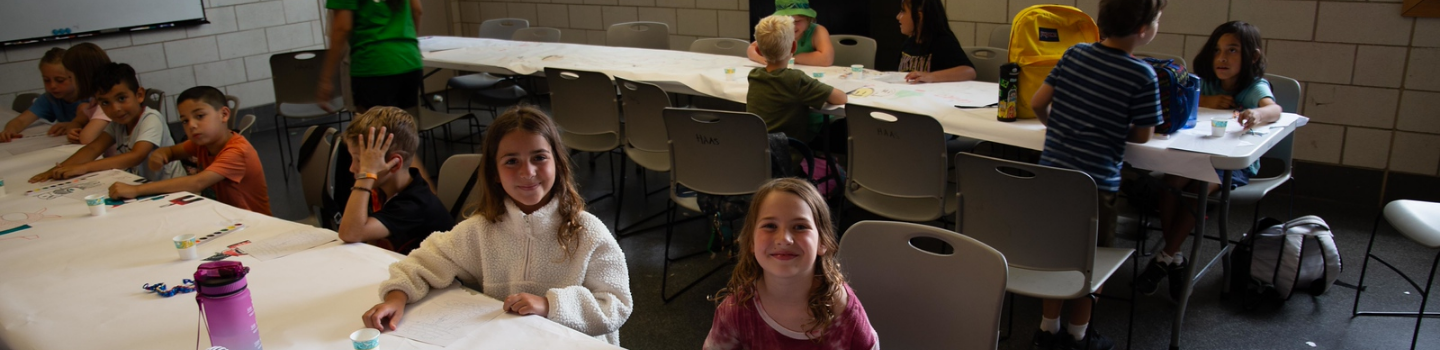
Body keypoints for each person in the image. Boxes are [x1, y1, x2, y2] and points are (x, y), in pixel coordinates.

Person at [361, 106, 632, 345]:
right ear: (495, 173)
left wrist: (550, 305)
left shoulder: (587, 232)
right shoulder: (481, 229)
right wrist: (396, 297)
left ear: (558, 164)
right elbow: (422, 262)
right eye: (512, 161)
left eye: (539, 157)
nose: (528, 172)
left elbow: (615, 305)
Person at [1028, 0, 1166, 348]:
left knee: (1056, 256)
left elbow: (1038, 103)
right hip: (1097, 186)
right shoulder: (1142, 75)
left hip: (1053, 178)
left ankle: (1048, 330)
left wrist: (1057, 126)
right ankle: (1079, 335)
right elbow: (1143, 135)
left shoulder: (1074, 54)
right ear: (1144, 30)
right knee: (1094, 263)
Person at [1136, 21, 1283, 299]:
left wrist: (1255, 115)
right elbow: (1180, 97)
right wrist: (1208, 99)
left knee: (1196, 192)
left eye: (1232, 50)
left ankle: (1164, 257)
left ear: (1252, 57)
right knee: (1170, 185)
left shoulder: (1253, 87)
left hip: (1231, 163)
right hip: (1194, 154)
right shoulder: (1207, 83)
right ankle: (1175, 259)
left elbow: (1274, 109)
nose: (1222, 58)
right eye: (1217, 50)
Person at [704, 178, 878, 349]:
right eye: (770, 226)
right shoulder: (736, 310)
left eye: (800, 227)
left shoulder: (844, 312)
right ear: (750, 241)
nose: (784, 240)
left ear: (822, 242)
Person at [107, 86, 272, 215]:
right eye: (185, 121)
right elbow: (171, 152)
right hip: (223, 217)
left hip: (254, 226)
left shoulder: (237, 151)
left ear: (224, 114)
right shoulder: (201, 143)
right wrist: (161, 154)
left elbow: (196, 183)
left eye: (200, 116)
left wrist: (135, 190)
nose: (191, 125)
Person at [29, 63, 184, 184]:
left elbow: (136, 156)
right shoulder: (118, 123)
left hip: (174, 189)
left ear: (139, 95)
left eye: (122, 98)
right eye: (105, 102)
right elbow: (93, 148)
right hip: (145, 186)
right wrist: (57, 169)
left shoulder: (151, 118)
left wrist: (84, 167)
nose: (115, 109)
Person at [335, 107, 453, 254]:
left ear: (394, 164)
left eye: (361, 161)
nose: (352, 168)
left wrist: (366, 175)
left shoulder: (415, 204)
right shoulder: (384, 190)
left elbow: (350, 233)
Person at [747, 15, 847, 143]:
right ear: (794, 47)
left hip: (758, 153)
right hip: (787, 155)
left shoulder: (754, 75)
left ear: (759, 51)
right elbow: (841, 98)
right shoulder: (796, 80)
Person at [319, 0, 423, 112]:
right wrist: (407, 44)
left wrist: (326, 79)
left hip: (373, 64)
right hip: (409, 61)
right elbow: (417, 10)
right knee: (405, 125)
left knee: (373, 126)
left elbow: (342, 28)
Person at [1, 48, 79, 142]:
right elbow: (21, 121)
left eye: (60, 80)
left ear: (77, 77)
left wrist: (74, 125)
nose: (52, 86)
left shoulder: (92, 98)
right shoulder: (50, 98)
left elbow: (100, 125)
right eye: (46, 80)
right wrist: (9, 131)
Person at [896, 0, 976, 84]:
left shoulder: (943, 42)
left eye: (903, 11)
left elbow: (970, 71)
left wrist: (930, 76)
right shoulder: (908, 44)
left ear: (919, 16)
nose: (898, 16)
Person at [747, 0, 834, 67]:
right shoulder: (778, 30)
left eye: (797, 21)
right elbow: (752, 48)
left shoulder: (818, 31)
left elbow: (827, 58)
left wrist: (793, 59)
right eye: (786, 21)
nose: (792, 26)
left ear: (808, 19)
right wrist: (760, 59)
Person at [61, 43, 116, 145]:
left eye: (70, 77)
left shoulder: (108, 102)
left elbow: (87, 138)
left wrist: (79, 134)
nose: (70, 82)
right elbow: (77, 121)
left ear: (82, 78)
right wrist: (72, 130)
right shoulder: (95, 101)